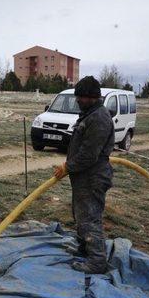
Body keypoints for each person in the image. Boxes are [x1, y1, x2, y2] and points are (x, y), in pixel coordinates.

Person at [53, 76, 115, 274]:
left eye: (81, 97)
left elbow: (89, 155)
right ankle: (84, 249)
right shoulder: (90, 114)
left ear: (92, 97)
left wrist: (67, 167)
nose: (78, 100)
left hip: (93, 177)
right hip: (83, 177)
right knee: (80, 215)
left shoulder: (99, 119)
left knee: (89, 217)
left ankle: (97, 261)